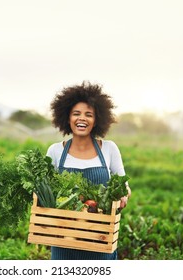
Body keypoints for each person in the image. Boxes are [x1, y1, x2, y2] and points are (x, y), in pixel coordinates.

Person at [46, 81, 131, 260]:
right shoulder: (55, 151)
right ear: (67, 118)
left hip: (100, 239)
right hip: (64, 241)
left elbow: (124, 184)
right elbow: (46, 190)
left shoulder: (109, 148)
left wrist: (124, 194)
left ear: (97, 119)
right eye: (76, 114)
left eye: (89, 114)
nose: (82, 118)